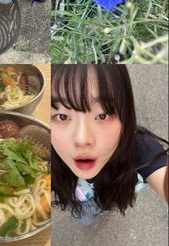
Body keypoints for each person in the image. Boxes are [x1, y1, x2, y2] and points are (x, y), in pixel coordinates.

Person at [51, 65, 168, 225]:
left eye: (102, 115)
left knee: (107, 205)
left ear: (125, 114)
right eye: (62, 116)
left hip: (111, 194)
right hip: (75, 198)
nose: (82, 139)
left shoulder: (140, 149)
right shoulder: (41, 149)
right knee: (84, 217)